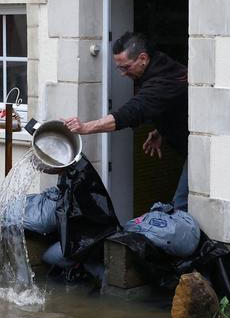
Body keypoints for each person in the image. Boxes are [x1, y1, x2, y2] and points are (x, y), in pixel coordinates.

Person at [63, 31, 190, 210]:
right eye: (119, 68)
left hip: (203, 148)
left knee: (181, 206)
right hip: (186, 142)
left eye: (126, 67)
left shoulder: (163, 81)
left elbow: (129, 113)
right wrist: (162, 129)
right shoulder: (160, 65)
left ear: (143, 58)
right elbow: (172, 103)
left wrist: (84, 127)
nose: (122, 74)